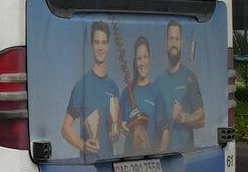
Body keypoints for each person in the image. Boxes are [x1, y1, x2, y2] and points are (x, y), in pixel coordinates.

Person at [61, 20, 121, 158]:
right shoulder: (82, 85)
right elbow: (65, 128)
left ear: (108, 46)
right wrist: (82, 145)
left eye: (103, 42)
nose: (100, 47)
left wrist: (115, 133)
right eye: (97, 42)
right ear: (91, 45)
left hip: (109, 164)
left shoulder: (113, 87)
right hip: (88, 165)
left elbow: (114, 129)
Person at [154, 20, 204, 151]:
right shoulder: (158, 81)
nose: (174, 43)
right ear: (166, 42)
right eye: (171, 39)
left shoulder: (190, 77)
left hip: (185, 155)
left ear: (181, 43)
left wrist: (184, 117)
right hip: (162, 154)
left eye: (177, 39)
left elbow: (201, 118)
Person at [121, 36, 171, 154]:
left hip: (150, 160)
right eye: (139, 58)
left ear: (149, 58)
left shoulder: (156, 93)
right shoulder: (126, 92)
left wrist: (160, 156)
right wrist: (121, 126)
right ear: (135, 61)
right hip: (129, 160)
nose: (142, 62)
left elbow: (165, 131)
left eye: (145, 57)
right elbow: (119, 123)